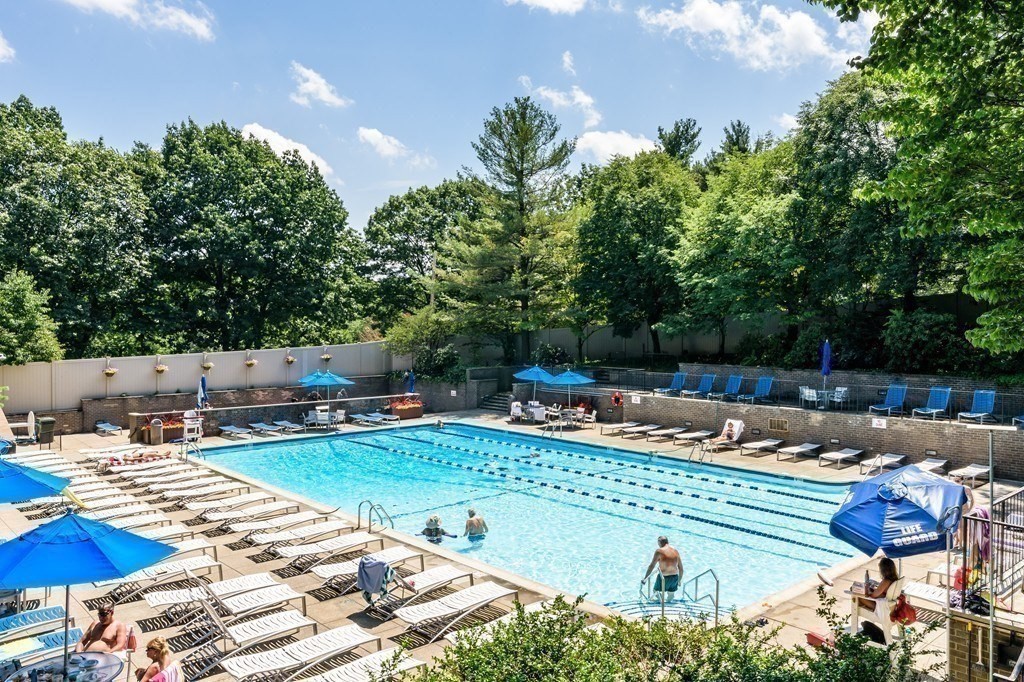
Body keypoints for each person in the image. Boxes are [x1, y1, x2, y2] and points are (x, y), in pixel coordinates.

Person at [642, 536, 684, 602]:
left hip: (663, 577)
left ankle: (662, 603)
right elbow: (681, 568)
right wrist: (679, 580)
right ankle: (668, 604)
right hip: (675, 577)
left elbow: (652, 566)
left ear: (659, 542)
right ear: (667, 542)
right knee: (671, 593)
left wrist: (645, 578)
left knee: (655, 591)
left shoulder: (659, 551)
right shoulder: (675, 551)